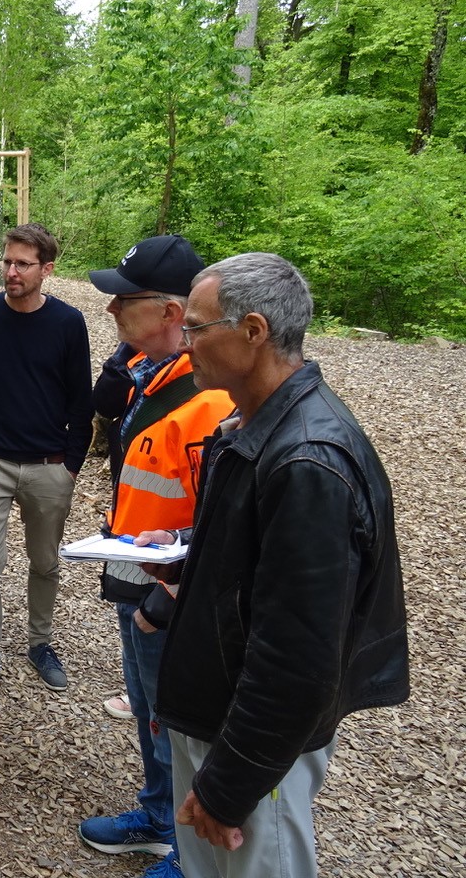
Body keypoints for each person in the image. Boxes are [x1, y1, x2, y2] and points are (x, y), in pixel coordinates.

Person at [149, 253, 408, 877]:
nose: (185, 345)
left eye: (197, 328)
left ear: (254, 331)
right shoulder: (255, 426)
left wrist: (231, 783)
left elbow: (299, 656)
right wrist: (187, 559)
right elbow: (256, 565)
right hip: (219, 717)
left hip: (250, 745)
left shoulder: (308, 462)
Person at [77, 235, 235, 878]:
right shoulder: (150, 373)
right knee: (149, 712)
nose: (111, 310)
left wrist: (164, 600)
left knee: (178, 720)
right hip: (135, 570)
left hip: (169, 592)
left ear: (172, 311)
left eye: (124, 299)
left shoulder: (209, 400)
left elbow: (219, 522)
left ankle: (184, 845)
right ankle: (157, 811)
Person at [0, 223, 93, 704]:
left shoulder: (68, 324)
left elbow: (80, 402)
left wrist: (71, 465)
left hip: (50, 465)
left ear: (46, 269)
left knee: (45, 563)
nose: (11, 271)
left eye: (23, 264)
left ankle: (40, 644)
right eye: (7, 261)